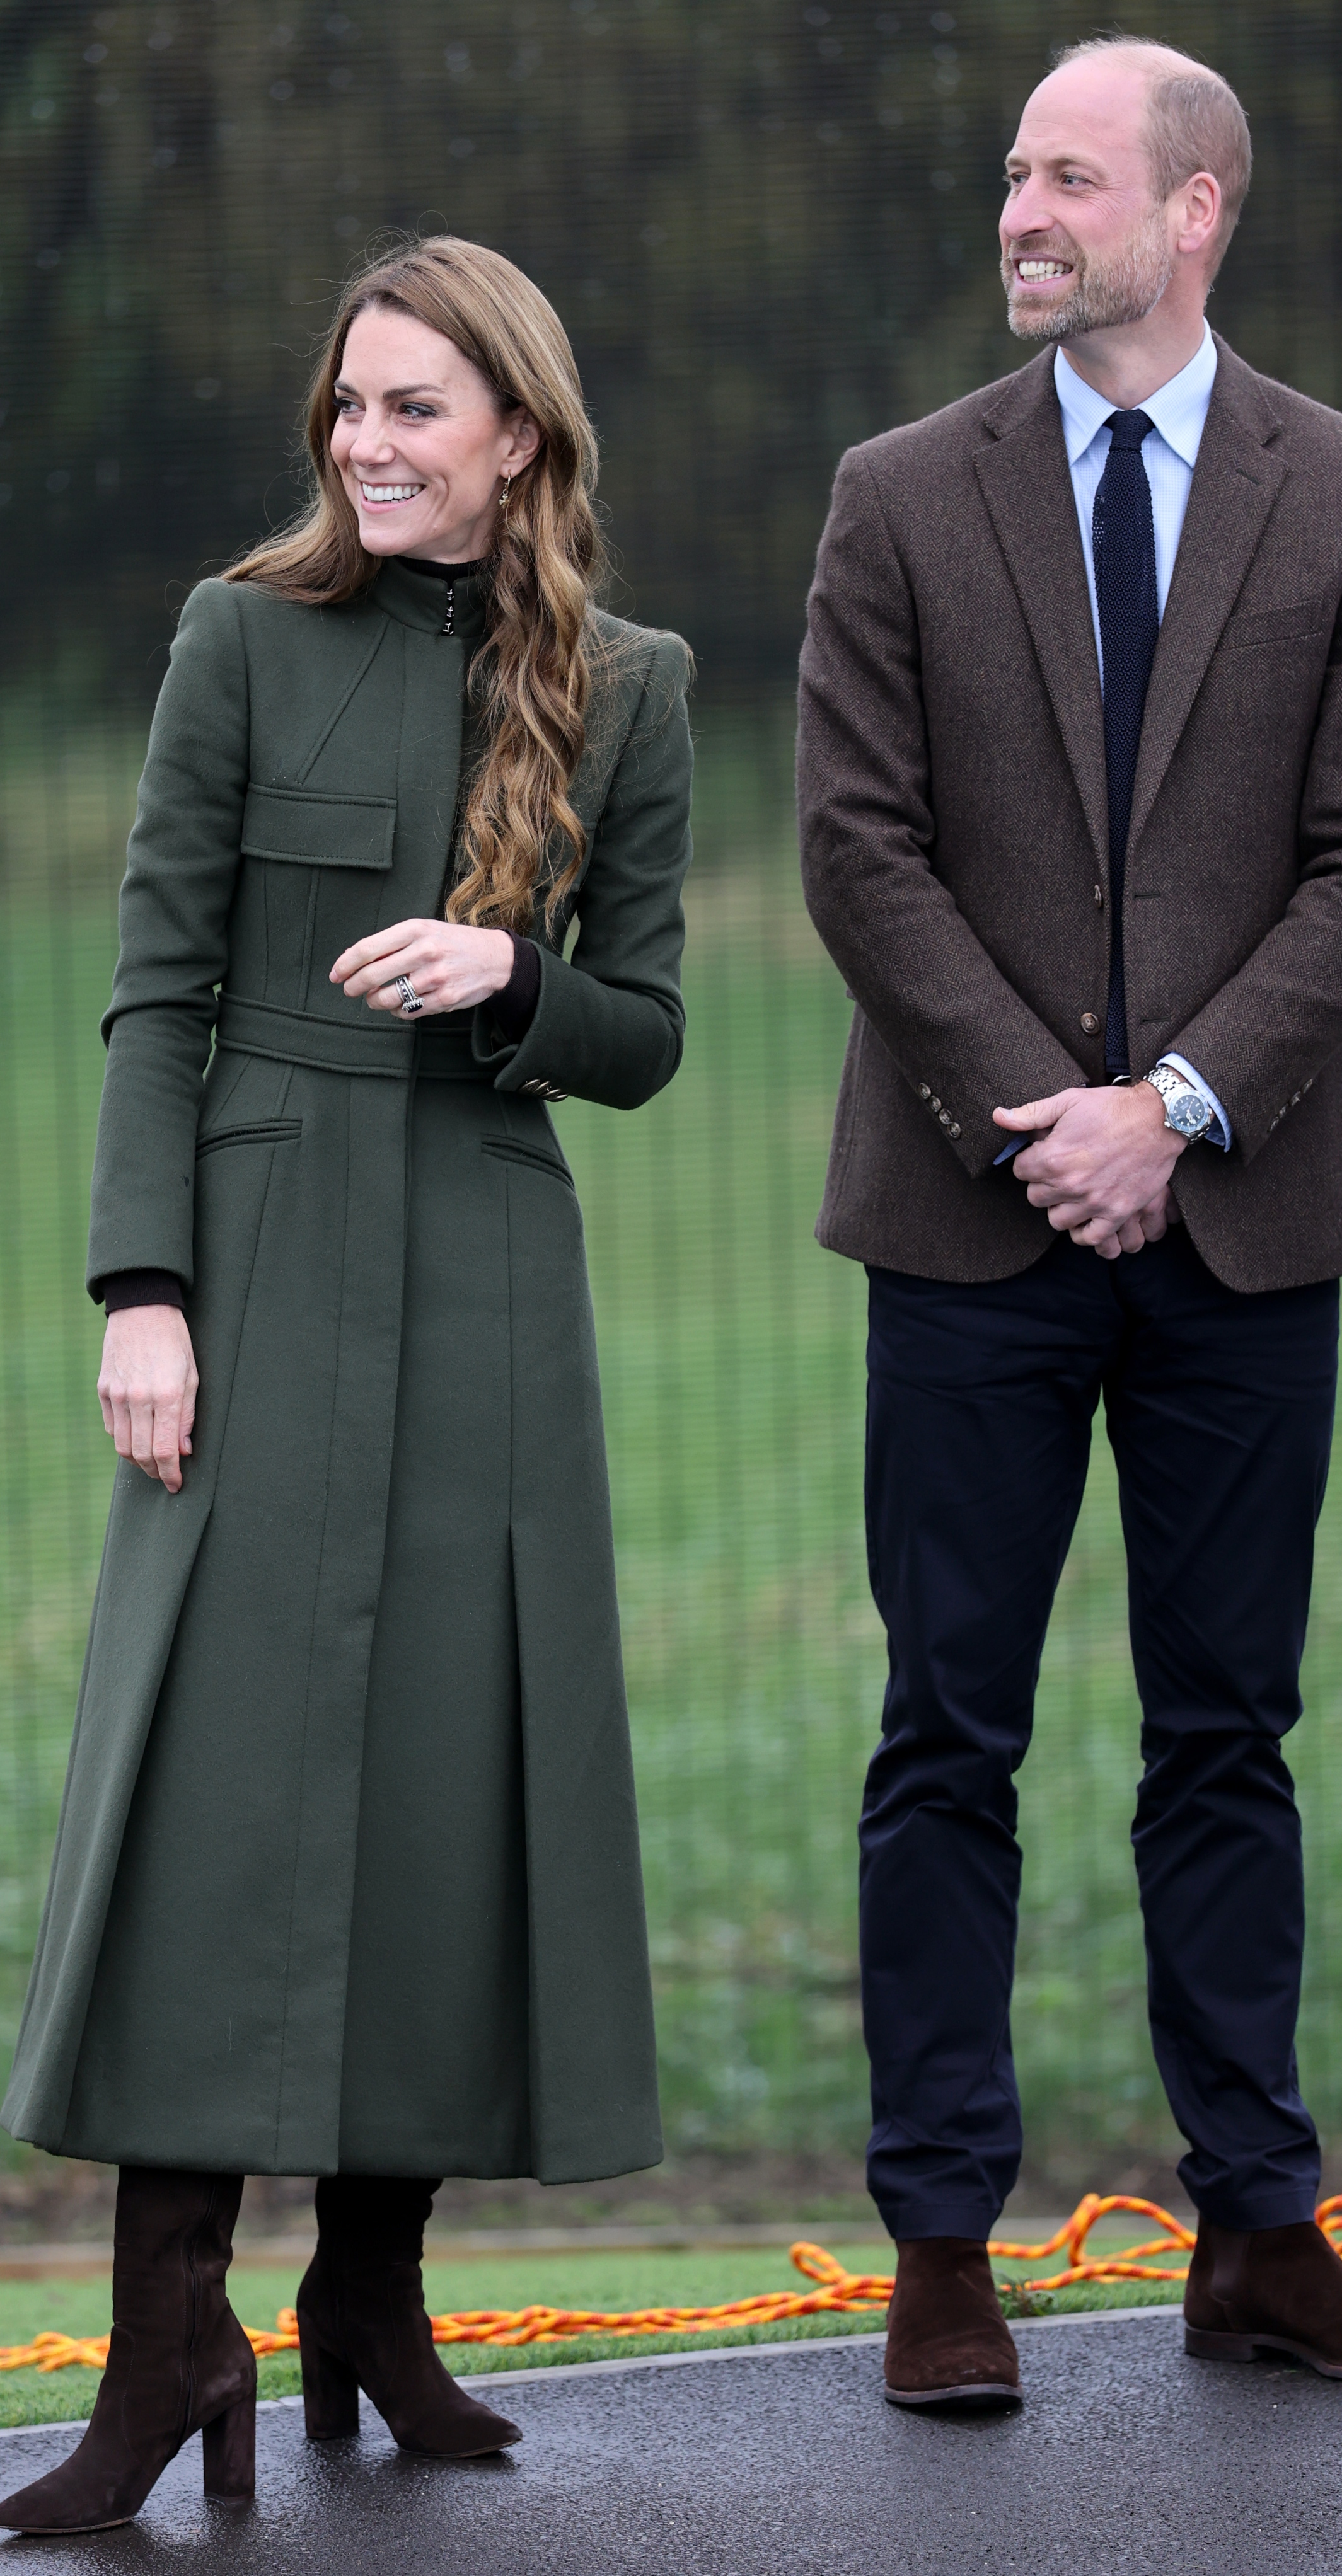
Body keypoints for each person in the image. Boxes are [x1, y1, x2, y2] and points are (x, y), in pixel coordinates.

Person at [0, 235, 693, 2533]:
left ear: (519, 432)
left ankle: (369, 2308)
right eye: (348, 403)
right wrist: (143, 1289)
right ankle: (162, 2338)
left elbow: (647, 1037)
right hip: (262, 1260)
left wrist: (513, 972)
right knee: (212, 1787)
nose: (364, 442)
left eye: (414, 408)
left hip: (493, 1271)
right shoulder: (237, 638)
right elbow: (154, 985)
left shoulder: (631, 688)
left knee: (441, 1788)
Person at [798, 35, 1342, 2412]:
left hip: (1248, 1224)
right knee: (941, 1738)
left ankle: (1258, 2235)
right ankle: (940, 2248)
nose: (1017, 210)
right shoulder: (894, 496)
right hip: (970, 1232)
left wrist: (1168, 1111)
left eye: (1064, 177)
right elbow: (854, 849)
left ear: (1198, 215)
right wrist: (1035, 1122)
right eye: (1007, 173)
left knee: (1226, 1736)